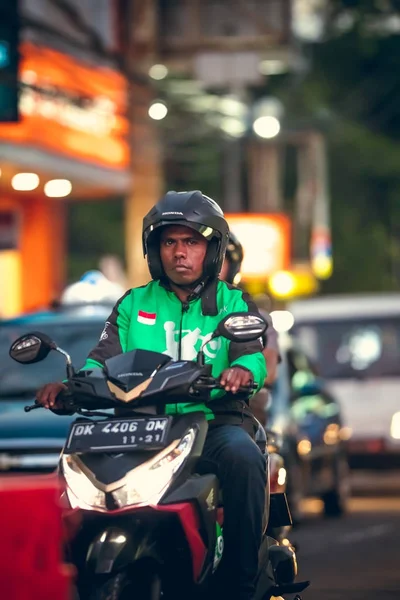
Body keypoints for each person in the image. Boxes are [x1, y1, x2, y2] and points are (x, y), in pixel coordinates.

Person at [37, 190, 268, 600]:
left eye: (192, 242)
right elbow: (99, 361)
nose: (180, 252)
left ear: (212, 250)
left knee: (244, 457)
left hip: (211, 422)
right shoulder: (133, 302)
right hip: (139, 426)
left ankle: (239, 581)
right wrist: (70, 388)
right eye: (169, 242)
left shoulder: (232, 301)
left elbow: (253, 357)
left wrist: (239, 372)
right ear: (155, 249)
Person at [220, 233, 280, 426]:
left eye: (219, 259)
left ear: (233, 266)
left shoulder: (252, 315)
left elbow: (268, 371)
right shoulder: (163, 312)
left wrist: (241, 374)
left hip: (231, 413)